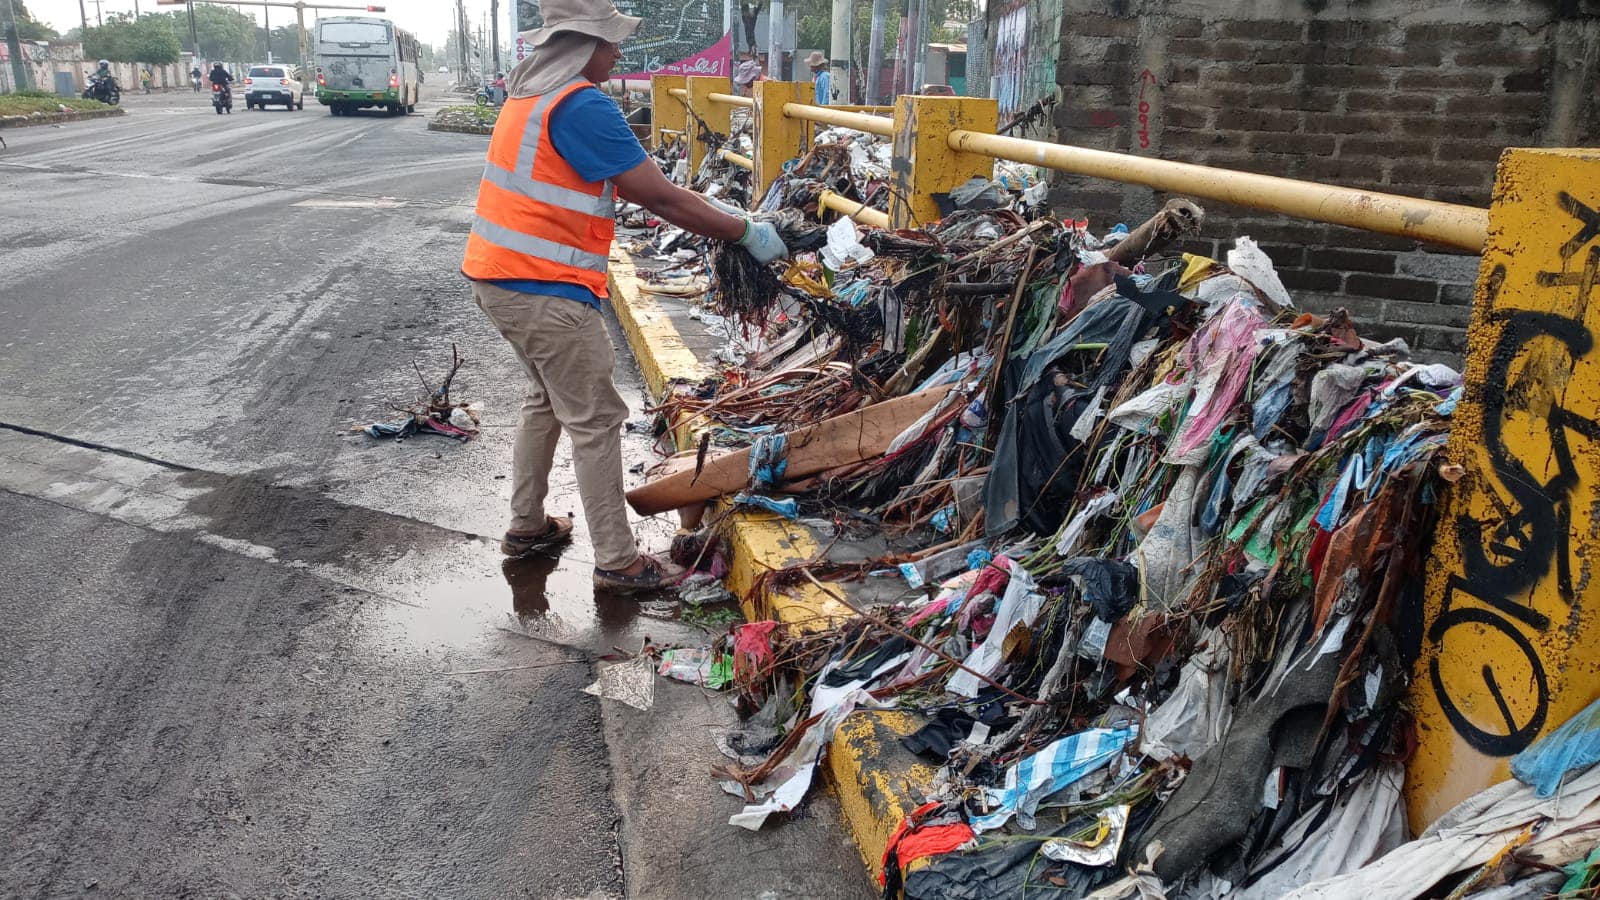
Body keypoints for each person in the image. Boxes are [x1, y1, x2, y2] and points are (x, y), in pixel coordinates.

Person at [461, 0, 789, 593]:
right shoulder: (581, 104)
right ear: (583, 46)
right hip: (544, 290)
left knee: (546, 399)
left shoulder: (529, 95)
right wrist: (742, 231)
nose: (619, 52)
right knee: (596, 418)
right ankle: (618, 561)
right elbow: (657, 196)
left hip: (497, 277)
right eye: (611, 42)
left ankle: (528, 525)